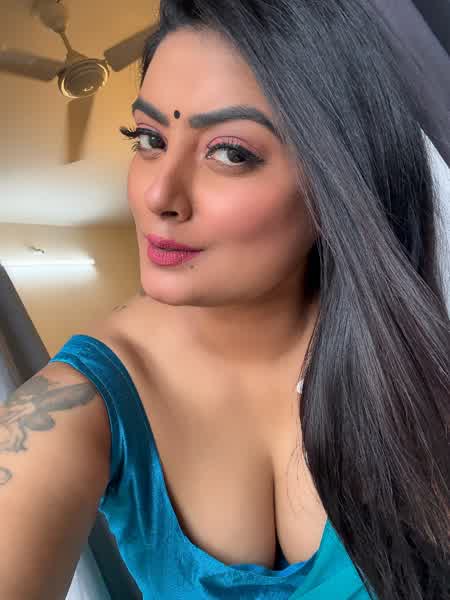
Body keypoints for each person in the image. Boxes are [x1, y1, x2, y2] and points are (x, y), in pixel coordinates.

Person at [1, 1, 449, 599]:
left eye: (230, 153)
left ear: (337, 175)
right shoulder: (76, 406)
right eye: (149, 138)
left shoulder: (408, 350)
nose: (159, 195)